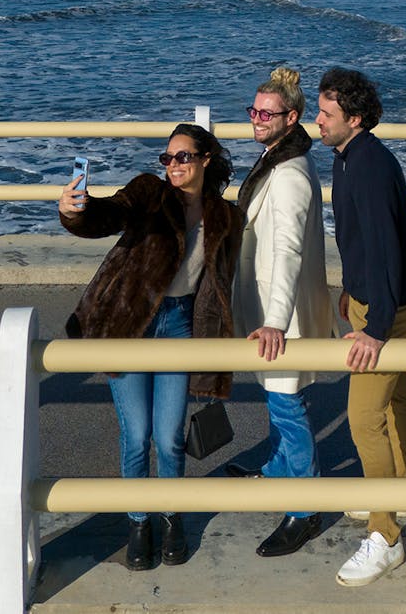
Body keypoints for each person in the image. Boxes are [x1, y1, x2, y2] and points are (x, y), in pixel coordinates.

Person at [58, 123, 244, 572]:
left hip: (180, 325)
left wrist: (230, 338)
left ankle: (170, 515)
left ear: (205, 160)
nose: (173, 165)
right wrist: (74, 211)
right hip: (129, 325)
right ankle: (139, 523)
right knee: (137, 435)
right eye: (167, 158)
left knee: (169, 438)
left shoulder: (224, 216)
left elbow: (224, 283)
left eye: (183, 157)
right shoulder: (148, 194)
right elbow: (107, 214)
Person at [314, 67, 406, 587]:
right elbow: (363, 245)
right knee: (398, 401)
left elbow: (384, 249)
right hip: (375, 302)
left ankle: (385, 536)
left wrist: (375, 327)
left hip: (388, 312)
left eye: (326, 114)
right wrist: (350, 288)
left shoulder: (368, 167)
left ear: (354, 119)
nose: (318, 121)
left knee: (363, 417)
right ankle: (404, 495)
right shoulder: (347, 156)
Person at [223, 67, 335, 558]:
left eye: (266, 114)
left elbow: (288, 248)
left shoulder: (289, 173)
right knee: (278, 398)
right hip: (271, 306)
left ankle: (304, 507)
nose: (256, 120)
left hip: (280, 312)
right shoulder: (278, 157)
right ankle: (275, 469)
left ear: (292, 117)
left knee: (288, 407)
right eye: (253, 111)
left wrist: (274, 320)